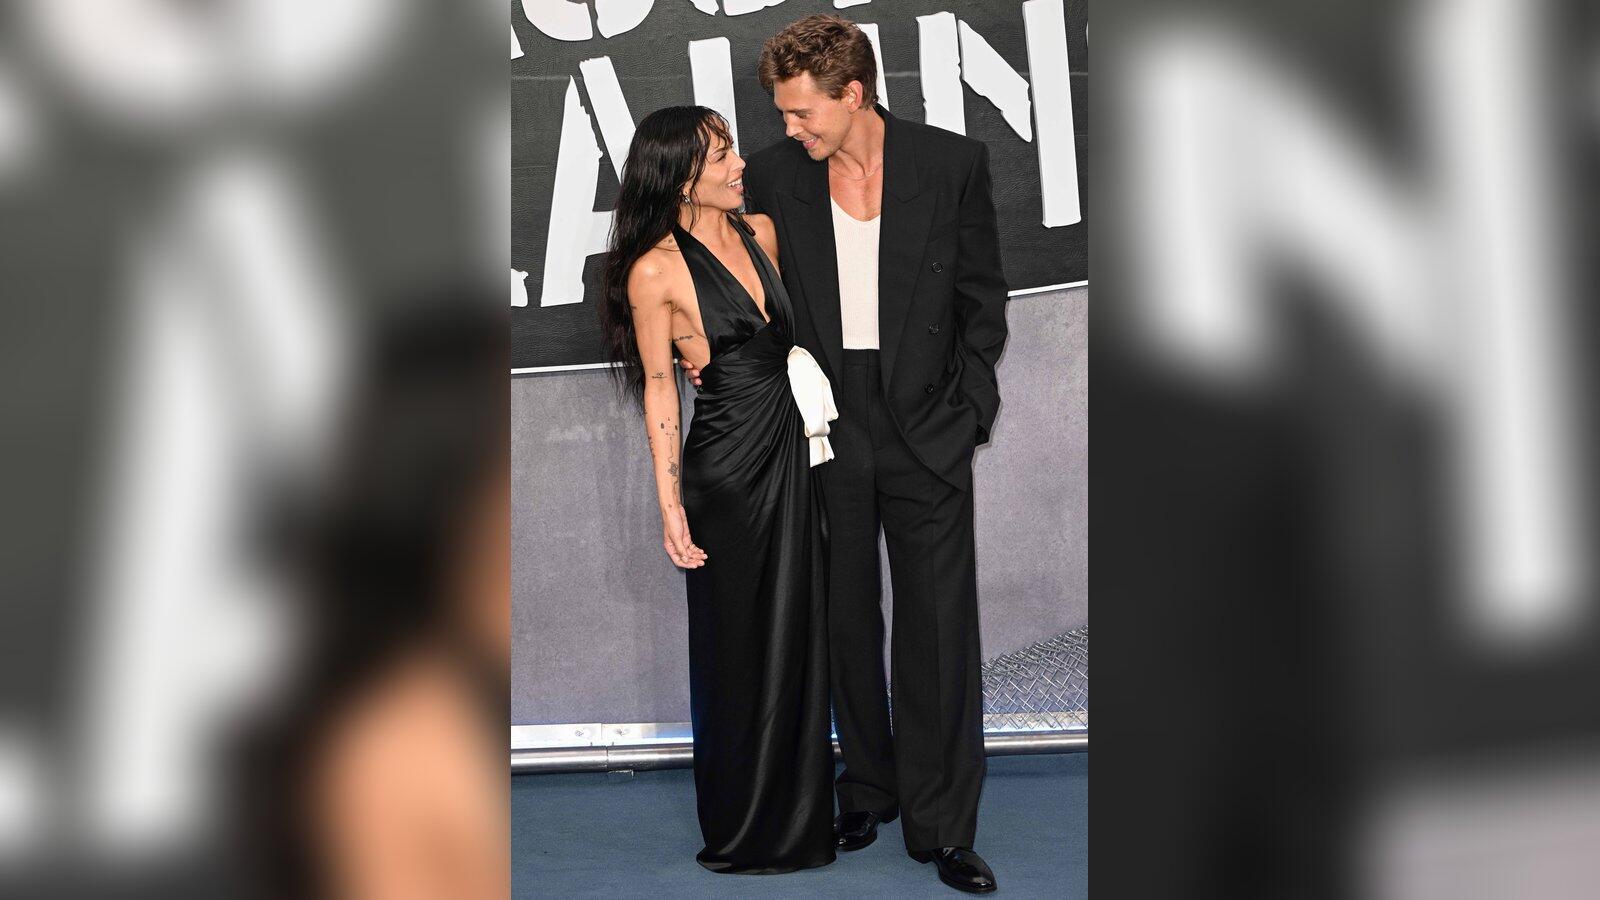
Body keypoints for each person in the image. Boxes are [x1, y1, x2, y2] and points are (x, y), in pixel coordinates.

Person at [682, 15, 1008, 894]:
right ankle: (867, 788)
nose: (789, 129)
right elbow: (704, 259)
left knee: (938, 628)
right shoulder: (774, 176)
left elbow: (982, 302)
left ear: (853, 93)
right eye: (783, 114)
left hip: (927, 422)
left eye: (802, 112)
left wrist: (969, 412)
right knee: (844, 616)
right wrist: (696, 340)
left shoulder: (950, 164)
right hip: (823, 419)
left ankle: (943, 826)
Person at [599, 106, 840, 874]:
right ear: (681, 178)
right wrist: (670, 505)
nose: (741, 165)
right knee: (735, 647)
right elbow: (661, 390)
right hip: (728, 475)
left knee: (799, 631)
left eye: (733, 149)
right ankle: (740, 826)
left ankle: (801, 820)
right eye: (724, 155)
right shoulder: (654, 271)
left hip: (794, 455)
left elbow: (787, 340)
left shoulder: (761, 232)